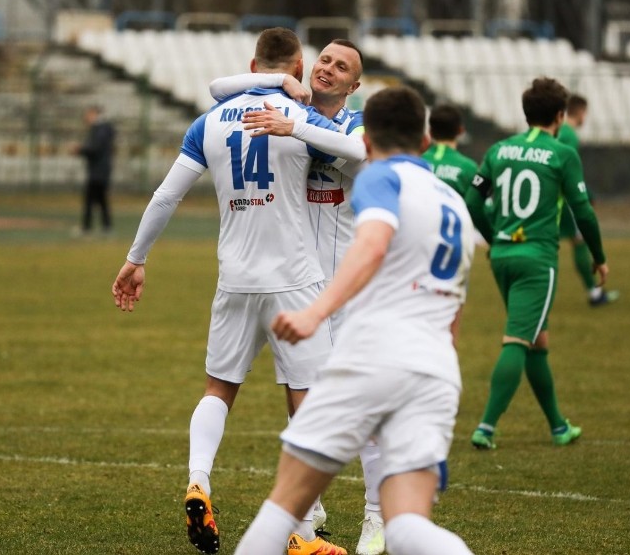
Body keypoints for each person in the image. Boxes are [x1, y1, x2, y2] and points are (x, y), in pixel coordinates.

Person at [111, 28, 363, 555]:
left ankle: (199, 480)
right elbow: (356, 150)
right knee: (307, 402)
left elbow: (164, 197)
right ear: (298, 70)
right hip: (294, 278)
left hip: (234, 278)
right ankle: (303, 536)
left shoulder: (208, 122)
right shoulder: (302, 120)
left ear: (254, 63)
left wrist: (136, 259)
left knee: (218, 389)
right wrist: (295, 111)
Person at [232, 85, 476, 555]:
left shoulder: (380, 176)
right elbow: (455, 309)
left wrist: (313, 313)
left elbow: (373, 243)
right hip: (437, 372)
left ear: (366, 144)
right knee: (405, 526)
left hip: (376, 354)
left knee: (285, 505)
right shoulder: (455, 202)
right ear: (426, 143)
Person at [210, 39, 385, 555]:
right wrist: (276, 83)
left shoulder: (351, 125)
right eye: (324, 60)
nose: (329, 69)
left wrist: (294, 126)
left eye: (342, 67)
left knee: (363, 407)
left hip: (346, 290)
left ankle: (376, 519)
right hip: (298, 287)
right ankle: (307, 515)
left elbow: (362, 153)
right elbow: (219, 90)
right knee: (301, 402)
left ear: (354, 86)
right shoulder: (292, 103)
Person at [465, 78, 610, 450]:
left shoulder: (500, 149)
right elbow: (585, 214)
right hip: (537, 259)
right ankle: (486, 427)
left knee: (536, 339)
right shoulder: (562, 153)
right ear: (560, 116)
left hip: (502, 256)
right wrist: (599, 257)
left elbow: (473, 201)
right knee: (518, 338)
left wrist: (495, 235)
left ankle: (558, 426)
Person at [557, 94, 618, 307]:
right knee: (579, 241)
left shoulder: (558, 131)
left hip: (550, 195)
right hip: (563, 198)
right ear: (581, 112)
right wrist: (587, 195)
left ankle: (594, 293)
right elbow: (568, 171)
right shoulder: (570, 135)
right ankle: (594, 293)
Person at [74, 105, 115, 235]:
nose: (86, 118)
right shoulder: (100, 129)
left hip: (99, 171)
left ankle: (87, 227)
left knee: (91, 199)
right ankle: (106, 226)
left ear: (94, 114)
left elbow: (95, 148)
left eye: (88, 114)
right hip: (99, 170)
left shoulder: (101, 129)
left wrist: (80, 149)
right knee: (101, 199)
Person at [421, 104, 478, 197]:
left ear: (430, 132)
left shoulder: (416, 161)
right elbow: (477, 206)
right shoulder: (470, 168)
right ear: (460, 131)